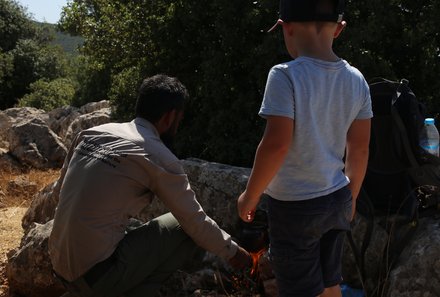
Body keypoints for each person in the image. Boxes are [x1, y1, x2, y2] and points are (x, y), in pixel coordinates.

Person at [49, 74, 252, 297]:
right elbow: (194, 221)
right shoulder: (158, 156)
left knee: (136, 227)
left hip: (58, 266)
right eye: (179, 120)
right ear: (170, 117)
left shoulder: (91, 134)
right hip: (95, 279)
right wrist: (235, 253)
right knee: (180, 226)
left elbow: (59, 193)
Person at [237, 0, 373, 296]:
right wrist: (351, 198)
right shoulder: (357, 80)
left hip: (294, 207)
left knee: (299, 288)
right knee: (329, 282)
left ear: (287, 28)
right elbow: (359, 150)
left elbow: (276, 145)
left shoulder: (285, 74)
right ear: (339, 29)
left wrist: (250, 196)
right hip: (337, 197)